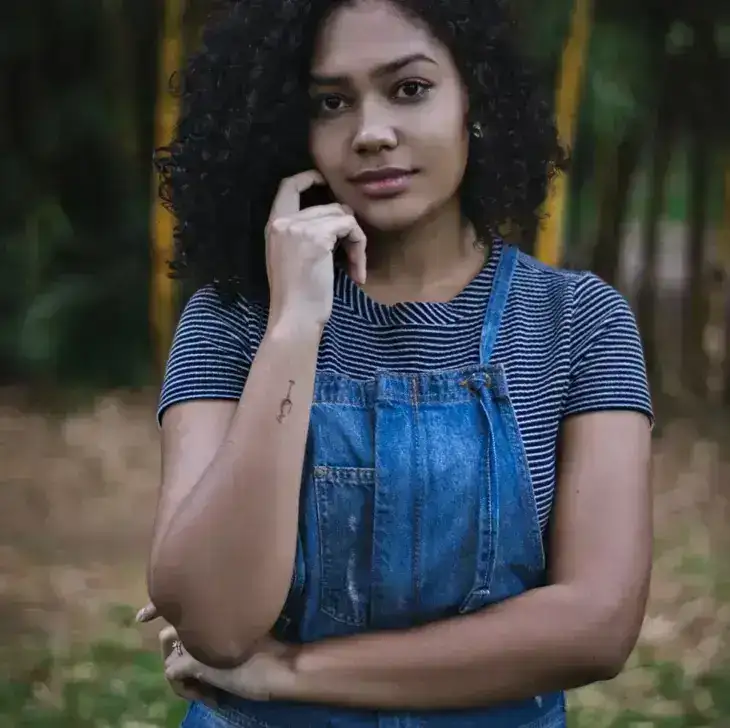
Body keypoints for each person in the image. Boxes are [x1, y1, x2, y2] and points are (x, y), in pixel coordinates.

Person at [140, 0, 654, 726]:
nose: (371, 133)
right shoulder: (234, 319)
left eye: (410, 89)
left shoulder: (577, 321)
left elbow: (597, 625)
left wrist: (289, 670)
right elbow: (219, 624)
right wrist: (293, 325)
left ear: (475, 99)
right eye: (331, 102)